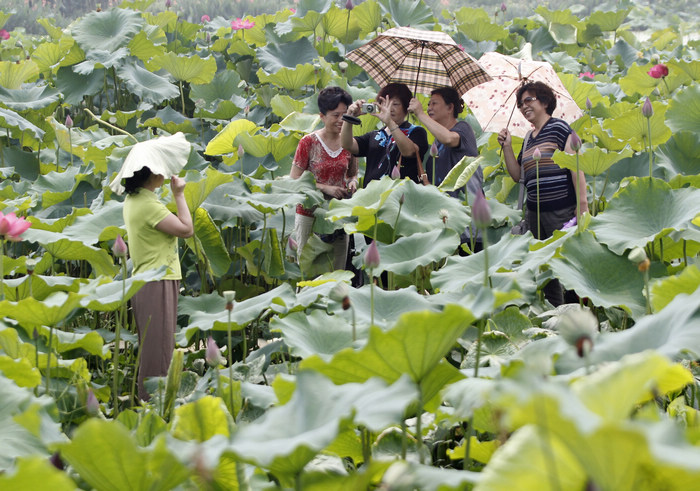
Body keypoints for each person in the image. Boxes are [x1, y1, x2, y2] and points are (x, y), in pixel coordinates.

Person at [497, 80, 589, 305]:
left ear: (545, 101)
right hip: (535, 214)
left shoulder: (559, 128)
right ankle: (554, 315)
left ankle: (574, 310)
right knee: (545, 271)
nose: (523, 106)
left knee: (566, 267)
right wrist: (507, 147)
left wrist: (583, 205)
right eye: (520, 103)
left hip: (562, 212)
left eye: (528, 100)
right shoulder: (529, 138)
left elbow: (575, 166)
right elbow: (518, 175)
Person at [123, 167, 193, 401]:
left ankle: (147, 410)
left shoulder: (133, 199)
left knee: (152, 351)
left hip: (146, 280)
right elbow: (186, 229)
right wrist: (179, 194)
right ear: (150, 174)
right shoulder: (148, 205)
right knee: (160, 354)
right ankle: (155, 414)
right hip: (158, 280)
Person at [290, 86, 358, 270]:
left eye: (344, 115)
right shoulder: (308, 142)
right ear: (321, 116)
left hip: (339, 213)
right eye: (335, 115)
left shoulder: (350, 142)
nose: (341, 120)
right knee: (308, 270)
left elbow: (353, 174)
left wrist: (353, 183)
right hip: (309, 213)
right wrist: (325, 188)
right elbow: (294, 179)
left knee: (338, 272)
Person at [408, 86, 484, 252]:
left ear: (450, 108)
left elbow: (450, 138)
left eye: (434, 103)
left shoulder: (463, 128)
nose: (429, 108)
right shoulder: (436, 143)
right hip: (446, 219)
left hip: (467, 219)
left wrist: (420, 114)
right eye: (428, 104)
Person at [341, 83, 429, 187]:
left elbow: (408, 152)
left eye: (395, 104)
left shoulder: (417, 132)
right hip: (373, 197)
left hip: (401, 196)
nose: (390, 109)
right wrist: (349, 118)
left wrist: (390, 123)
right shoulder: (375, 135)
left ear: (406, 107)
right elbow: (347, 144)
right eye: (385, 104)